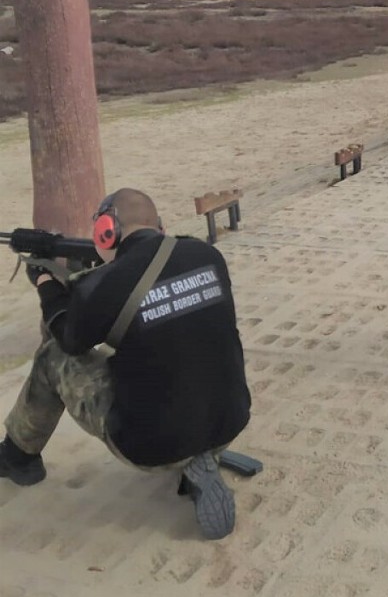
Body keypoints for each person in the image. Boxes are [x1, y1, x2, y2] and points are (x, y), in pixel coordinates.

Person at [0, 188, 252, 538]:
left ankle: (18, 458)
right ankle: (198, 455)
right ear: (159, 227)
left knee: (51, 357)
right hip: (230, 419)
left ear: (106, 229)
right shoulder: (207, 255)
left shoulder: (102, 283)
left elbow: (69, 338)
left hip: (149, 445)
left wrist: (45, 283)